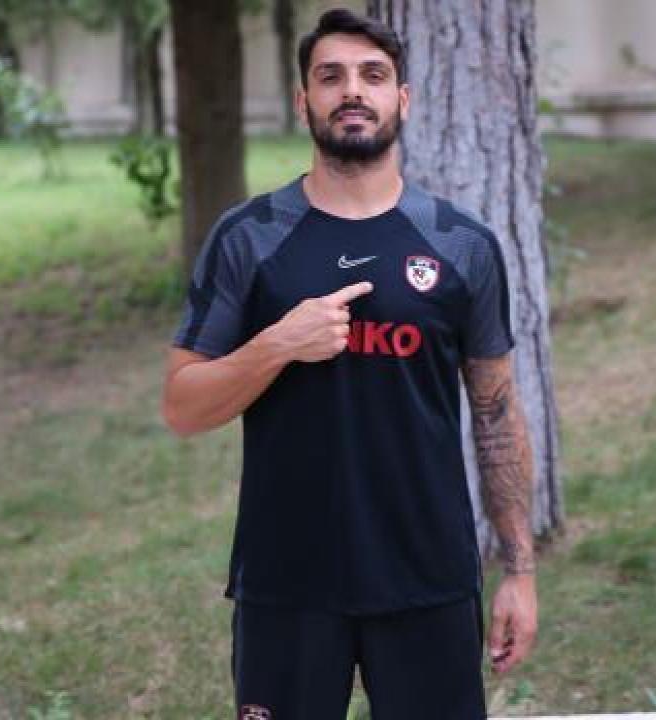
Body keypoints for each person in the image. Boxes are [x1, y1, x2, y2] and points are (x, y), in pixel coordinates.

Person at [162, 8, 537, 719]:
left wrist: (519, 573)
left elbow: (495, 413)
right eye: (330, 76)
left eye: (373, 75)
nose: (352, 91)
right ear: (303, 101)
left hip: (427, 578)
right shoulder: (249, 238)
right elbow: (182, 406)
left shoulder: (462, 244)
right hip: (288, 582)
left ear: (404, 98)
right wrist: (279, 342)